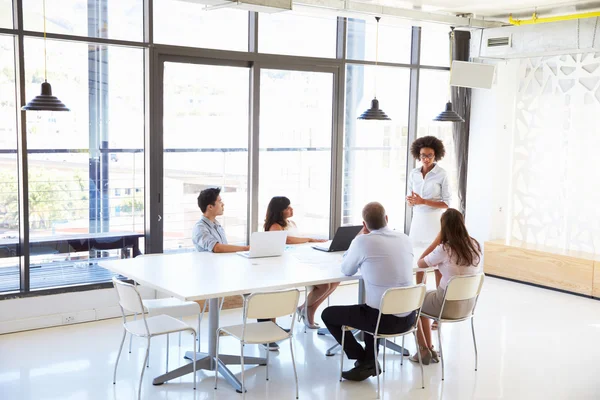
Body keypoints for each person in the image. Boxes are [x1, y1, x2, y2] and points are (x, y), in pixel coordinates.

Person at [321, 202, 416, 382]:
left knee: (328, 314)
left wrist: (358, 241)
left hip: (381, 321)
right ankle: (369, 360)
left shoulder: (362, 241)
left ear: (364, 225)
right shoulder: (404, 238)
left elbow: (347, 270)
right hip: (410, 317)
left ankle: (363, 358)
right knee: (373, 306)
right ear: (387, 219)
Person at [410, 208, 482, 365]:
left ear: (444, 228)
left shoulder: (445, 248)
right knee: (423, 301)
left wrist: (438, 239)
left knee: (415, 303)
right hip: (467, 306)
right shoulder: (475, 245)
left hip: (446, 305)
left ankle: (424, 350)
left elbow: (421, 263)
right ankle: (429, 349)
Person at [263, 196, 333, 330]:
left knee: (333, 282)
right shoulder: (274, 226)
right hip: (287, 266)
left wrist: (312, 241)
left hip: (300, 260)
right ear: (280, 211)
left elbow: (297, 240)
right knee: (325, 285)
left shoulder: (291, 223)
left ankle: (305, 309)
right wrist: (310, 239)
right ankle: (305, 309)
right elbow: (287, 240)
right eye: (288, 207)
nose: (291, 209)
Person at [192, 187, 249, 253]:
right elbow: (217, 248)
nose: (223, 204)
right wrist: (246, 248)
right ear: (210, 207)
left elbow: (224, 248)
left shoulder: (217, 225)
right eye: (219, 201)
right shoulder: (200, 228)